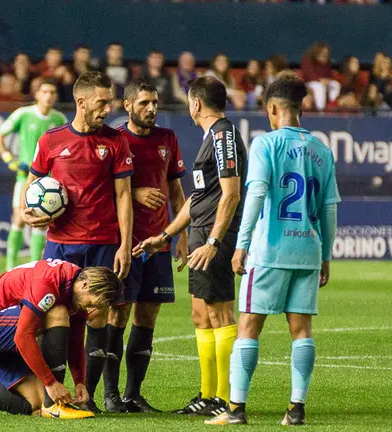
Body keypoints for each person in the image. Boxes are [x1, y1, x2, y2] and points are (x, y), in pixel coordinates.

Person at [205, 71, 340, 426]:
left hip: (270, 250)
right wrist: (325, 255)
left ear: (273, 108)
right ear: (301, 110)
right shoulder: (322, 150)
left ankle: (235, 409)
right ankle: (296, 409)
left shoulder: (266, 144)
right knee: (301, 330)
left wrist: (242, 243)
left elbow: (257, 194)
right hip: (308, 250)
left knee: (248, 325)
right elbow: (329, 208)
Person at [19, 71, 134, 413]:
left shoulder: (115, 141)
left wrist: (125, 244)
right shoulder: (51, 140)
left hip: (102, 241)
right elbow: (31, 187)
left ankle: (88, 396)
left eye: (109, 101)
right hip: (61, 244)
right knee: (52, 316)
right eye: (102, 102)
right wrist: (28, 212)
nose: (108, 108)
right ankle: (51, 397)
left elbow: (124, 194)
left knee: (98, 316)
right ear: (82, 102)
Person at [134, 76, 246, 417]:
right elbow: (199, 197)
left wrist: (213, 241)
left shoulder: (224, 135)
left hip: (215, 238)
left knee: (220, 313)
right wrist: (167, 235)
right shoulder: (209, 138)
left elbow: (231, 194)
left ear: (196, 103)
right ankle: (209, 395)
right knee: (201, 315)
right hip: (200, 234)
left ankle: (225, 400)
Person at [0, 259, 123, 419]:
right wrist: (51, 383)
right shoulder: (49, 284)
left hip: (0, 333)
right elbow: (22, 336)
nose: (90, 310)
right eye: (91, 303)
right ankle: (54, 406)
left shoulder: (75, 289)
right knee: (57, 312)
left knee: (33, 404)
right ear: (85, 285)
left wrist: (79, 382)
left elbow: (75, 342)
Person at [101, 78, 188, 413]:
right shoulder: (114, 139)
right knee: (117, 313)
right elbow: (98, 190)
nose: (151, 109)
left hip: (159, 244)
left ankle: (132, 394)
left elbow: (176, 192)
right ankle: (110, 395)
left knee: (147, 318)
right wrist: (134, 193)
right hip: (125, 244)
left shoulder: (168, 139)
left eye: (154, 103)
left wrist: (182, 234)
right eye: (144, 104)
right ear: (128, 106)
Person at [0, 79, 68, 271]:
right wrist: (9, 158)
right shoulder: (23, 114)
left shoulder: (59, 119)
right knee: (19, 218)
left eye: (52, 92)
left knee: (42, 222)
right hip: (26, 178)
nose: (48, 96)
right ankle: (9, 267)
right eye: (45, 91)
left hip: (49, 181)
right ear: (37, 94)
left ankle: (35, 267)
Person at [301, 42, 340, 111]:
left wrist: (328, 80)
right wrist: (319, 80)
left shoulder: (327, 64)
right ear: (316, 53)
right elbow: (308, 75)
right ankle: (320, 110)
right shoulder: (307, 60)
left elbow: (330, 75)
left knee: (335, 84)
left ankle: (332, 103)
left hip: (323, 82)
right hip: (310, 84)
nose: (325, 56)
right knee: (319, 87)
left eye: (326, 54)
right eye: (322, 54)